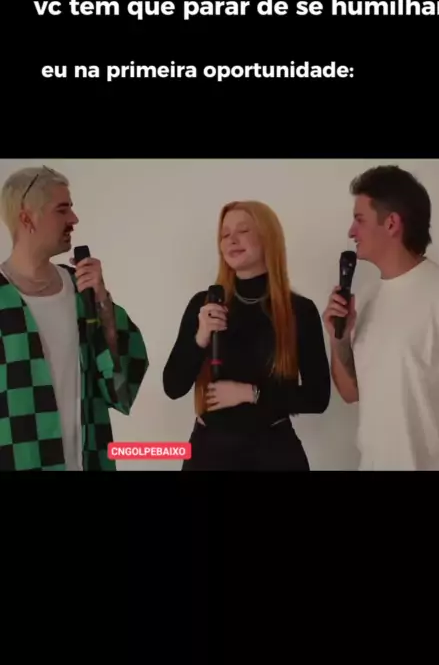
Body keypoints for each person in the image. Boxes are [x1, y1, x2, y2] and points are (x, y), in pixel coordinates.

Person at [322, 164, 439, 471]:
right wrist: (339, 338)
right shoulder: (365, 299)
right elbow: (351, 392)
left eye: (359, 220)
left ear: (392, 223)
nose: (351, 232)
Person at [0, 164, 149, 471]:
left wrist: (103, 304)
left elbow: (118, 385)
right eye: (62, 209)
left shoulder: (80, 288)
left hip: (88, 458)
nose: (74, 219)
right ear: (27, 218)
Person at [163, 200, 331, 471]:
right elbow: (172, 387)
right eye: (225, 234)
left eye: (243, 231)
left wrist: (251, 394)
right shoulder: (204, 305)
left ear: (268, 238)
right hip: (210, 455)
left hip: (274, 455)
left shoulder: (299, 310)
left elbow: (317, 397)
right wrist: (200, 338)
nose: (232, 240)